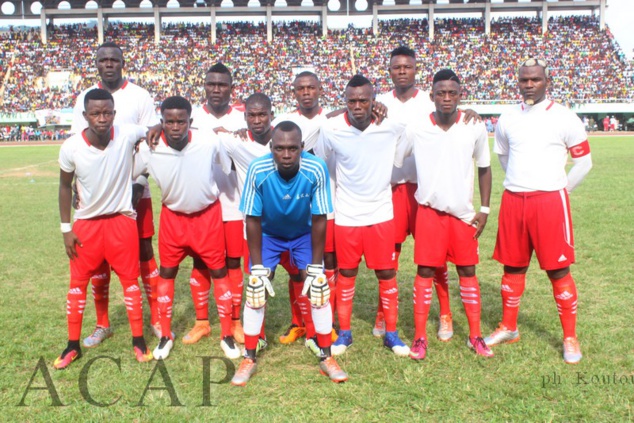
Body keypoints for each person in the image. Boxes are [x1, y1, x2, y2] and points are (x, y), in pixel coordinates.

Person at [485, 58, 592, 364]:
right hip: (514, 200)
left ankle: (569, 337)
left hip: (549, 202)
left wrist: (561, 189)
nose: (529, 84)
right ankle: (509, 326)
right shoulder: (507, 118)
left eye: (535, 79)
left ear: (547, 81)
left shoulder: (565, 117)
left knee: (558, 270)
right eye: (524, 80)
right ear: (517, 82)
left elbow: (584, 162)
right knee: (512, 267)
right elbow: (504, 156)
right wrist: (521, 181)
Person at [231, 121, 347, 386]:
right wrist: (258, 267)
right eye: (280, 148)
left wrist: (316, 266)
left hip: (303, 234)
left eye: (292, 148)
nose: (286, 155)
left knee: (318, 287)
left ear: (302, 148)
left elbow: (319, 218)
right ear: (271, 148)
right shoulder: (258, 169)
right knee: (257, 287)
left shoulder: (315, 168)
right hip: (269, 234)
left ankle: (326, 355)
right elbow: (252, 218)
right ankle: (249, 356)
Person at [395, 69, 494, 360]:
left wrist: (485, 209)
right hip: (428, 212)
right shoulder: (417, 127)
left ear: (460, 94)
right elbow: (398, 157)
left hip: (463, 214)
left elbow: (484, 168)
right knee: (425, 271)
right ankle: (419, 337)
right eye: (441, 93)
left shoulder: (473, 125)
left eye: (452, 92)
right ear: (432, 96)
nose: (447, 98)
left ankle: (475, 336)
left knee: (468, 271)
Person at [70, 41, 162, 348]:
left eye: (114, 59)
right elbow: (76, 146)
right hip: (96, 199)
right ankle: (103, 323)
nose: (109, 64)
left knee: (145, 250)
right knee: (96, 261)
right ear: (96, 63)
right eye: (103, 60)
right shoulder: (84, 98)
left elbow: (151, 138)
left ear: (123, 62)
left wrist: (139, 180)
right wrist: (75, 187)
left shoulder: (139, 96)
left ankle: (155, 320)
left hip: (135, 190)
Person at [135, 96, 239, 360]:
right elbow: (133, 169)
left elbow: (226, 166)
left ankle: (226, 334)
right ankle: (166, 335)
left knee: (219, 271)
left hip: (207, 217)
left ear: (190, 122)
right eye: (169, 121)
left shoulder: (207, 140)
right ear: (161, 123)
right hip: (173, 218)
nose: (175, 126)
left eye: (181, 121)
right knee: (167, 273)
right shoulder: (150, 147)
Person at [56, 88, 152, 369]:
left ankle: (138, 340)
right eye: (95, 113)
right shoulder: (71, 147)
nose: (102, 118)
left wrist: (154, 135)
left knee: (130, 283)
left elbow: (154, 128)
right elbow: (64, 186)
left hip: (121, 221)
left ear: (114, 113)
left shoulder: (126, 132)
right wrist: (65, 228)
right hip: (86, 225)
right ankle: (72, 346)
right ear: (85, 116)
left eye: (107, 112)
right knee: (77, 286)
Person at [315, 74, 409, 357]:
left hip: (381, 213)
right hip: (347, 215)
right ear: (345, 101)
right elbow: (319, 160)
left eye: (363, 100)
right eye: (351, 101)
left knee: (387, 273)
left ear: (373, 100)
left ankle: (391, 334)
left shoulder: (392, 128)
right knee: (346, 274)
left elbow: (400, 155)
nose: (357, 106)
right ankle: (344, 333)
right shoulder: (331, 129)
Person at [218, 93, 316, 352]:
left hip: (295, 228)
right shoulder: (235, 142)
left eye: (262, 114)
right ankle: (257, 337)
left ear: (272, 115)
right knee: (259, 282)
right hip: (260, 231)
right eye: (252, 115)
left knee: (299, 277)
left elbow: (325, 121)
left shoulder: (287, 139)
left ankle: (305, 326)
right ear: (245, 116)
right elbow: (204, 130)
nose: (257, 120)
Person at [373, 46, 453, 342]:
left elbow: (452, 117)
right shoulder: (378, 102)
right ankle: (384, 311)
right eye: (397, 67)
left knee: (435, 257)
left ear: (415, 69)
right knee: (388, 256)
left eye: (407, 67)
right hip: (391, 187)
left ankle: (445, 313)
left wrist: (469, 111)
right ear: (390, 71)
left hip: (425, 188)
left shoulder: (429, 101)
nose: (402, 71)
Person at [272, 71, 338, 346]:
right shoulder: (284, 123)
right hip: (295, 212)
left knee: (327, 266)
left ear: (320, 89)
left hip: (326, 206)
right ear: (294, 92)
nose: (306, 92)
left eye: (311, 87)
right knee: (296, 269)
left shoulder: (334, 120)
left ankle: (328, 322)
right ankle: (298, 321)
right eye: (301, 88)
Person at [185, 63, 247, 345]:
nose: (217, 89)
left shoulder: (246, 118)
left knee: (234, 262)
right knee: (200, 261)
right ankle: (202, 322)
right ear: (205, 86)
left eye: (222, 84)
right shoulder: (192, 117)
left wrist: (231, 136)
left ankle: (235, 320)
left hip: (235, 202)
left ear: (231, 88)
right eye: (212, 84)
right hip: (202, 203)